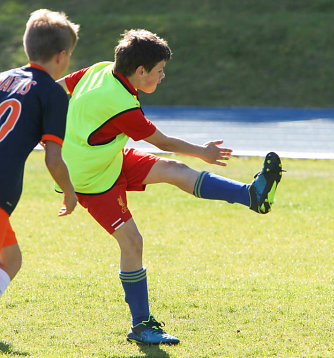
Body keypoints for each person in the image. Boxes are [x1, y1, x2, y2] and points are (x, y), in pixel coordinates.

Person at [56, 29, 283, 345]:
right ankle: (141, 325)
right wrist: (203, 152)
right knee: (133, 243)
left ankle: (253, 195)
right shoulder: (120, 104)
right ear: (140, 71)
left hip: (108, 157)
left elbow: (54, 89)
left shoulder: (99, 69)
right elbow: (161, 141)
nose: (163, 77)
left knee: (174, 171)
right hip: (90, 179)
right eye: (160, 71)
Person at [0, 9, 78, 299]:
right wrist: (70, 193)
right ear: (61, 56)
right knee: (10, 260)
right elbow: (53, 158)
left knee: (7, 257)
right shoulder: (53, 93)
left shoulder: (2, 79)